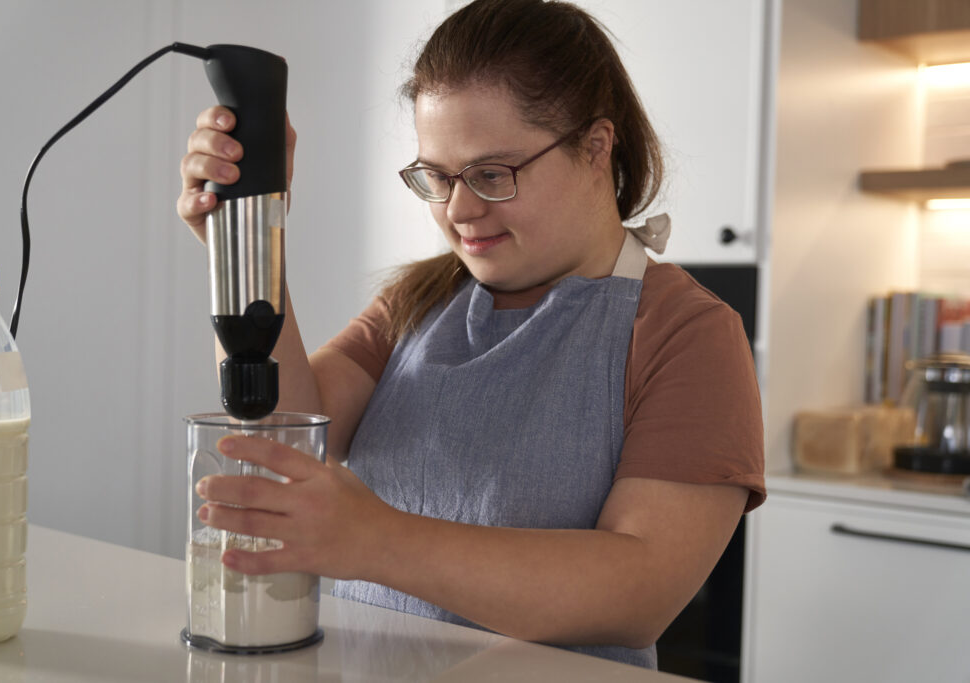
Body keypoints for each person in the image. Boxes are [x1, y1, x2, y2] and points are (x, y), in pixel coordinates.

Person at [177, 0, 764, 669]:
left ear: (597, 147)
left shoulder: (689, 335)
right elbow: (281, 428)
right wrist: (243, 245)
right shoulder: (417, 301)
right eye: (437, 177)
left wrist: (378, 539)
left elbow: (639, 590)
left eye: (491, 174)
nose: (457, 210)